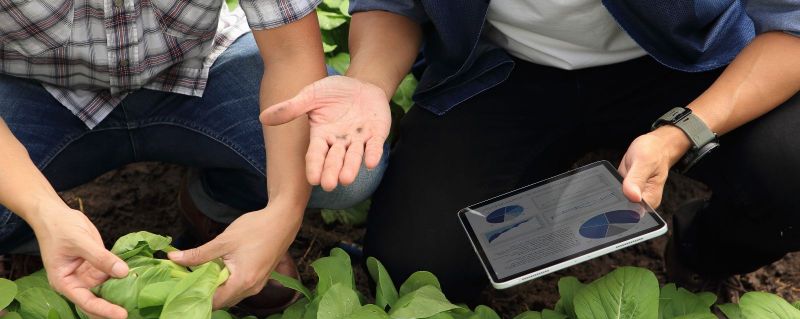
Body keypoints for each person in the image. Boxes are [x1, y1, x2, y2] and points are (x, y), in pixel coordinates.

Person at [262, 0, 800, 303]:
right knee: (419, 267)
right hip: (506, 71)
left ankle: (701, 249)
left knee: (788, 167)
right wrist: (370, 83)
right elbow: (394, 3)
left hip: (682, 62)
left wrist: (680, 131)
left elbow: (791, 26)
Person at [0, 0, 386, 319]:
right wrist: (42, 210)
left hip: (196, 70)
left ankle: (223, 205)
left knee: (344, 164)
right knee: (19, 207)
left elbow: (290, 54)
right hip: (34, 90)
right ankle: (42, 237)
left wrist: (285, 208)